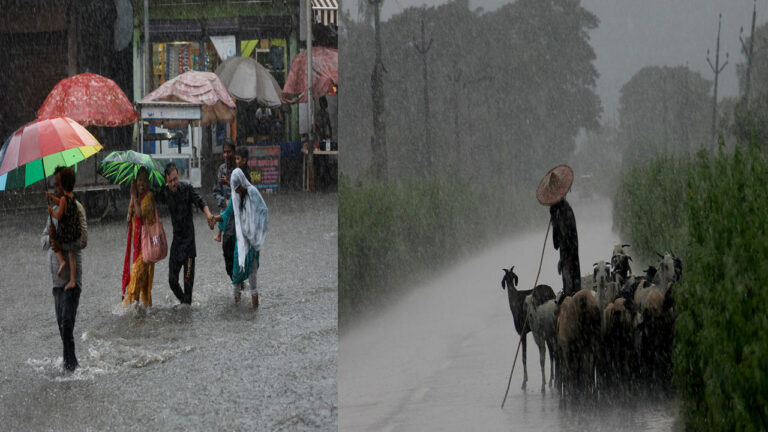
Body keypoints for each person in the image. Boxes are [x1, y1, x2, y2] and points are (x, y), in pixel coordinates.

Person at [41, 190, 87, 372]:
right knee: (62, 324)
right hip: (56, 280)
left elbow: (83, 241)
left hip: (72, 279)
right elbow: (42, 240)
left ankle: (72, 365)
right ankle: (69, 364)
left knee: (67, 323)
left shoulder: (77, 210)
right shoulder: (52, 212)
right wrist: (51, 238)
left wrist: (64, 240)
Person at [156, 162, 215, 304]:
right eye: (170, 181)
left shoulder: (187, 189)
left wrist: (208, 215)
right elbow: (149, 198)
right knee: (172, 281)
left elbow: (200, 201)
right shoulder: (164, 193)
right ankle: (183, 305)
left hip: (189, 247)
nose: (174, 183)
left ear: (178, 177)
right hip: (176, 244)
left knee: (188, 287)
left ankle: (186, 306)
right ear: (166, 181)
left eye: (175, 179)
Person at [213, 168, 268, 308]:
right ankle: (236, 310)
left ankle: (255, 309)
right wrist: (215, 218)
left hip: (252, 242)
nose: (237, 191)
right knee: (236, 277)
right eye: (235, 189)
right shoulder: (235, 196)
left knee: (253, 278)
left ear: (242, 184)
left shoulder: (253, 193)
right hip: (241, 242)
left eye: (238, 188)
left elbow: (263, 211)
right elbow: (227, 213)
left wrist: (255, 228)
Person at [536, 165, 580, 301]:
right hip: (570, 256)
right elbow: (558, 242)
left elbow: (562, 241)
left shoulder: (562, 213)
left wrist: (564, 260)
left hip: (569, 257)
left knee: (570, 291)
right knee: (573, 289)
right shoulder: (562, 210)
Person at [122, 167, 156, 307]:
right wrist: (129, 214)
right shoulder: (135, 197)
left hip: (147, 245)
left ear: (148, 183)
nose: (142, 184)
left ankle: (127, 309)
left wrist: (134, 198)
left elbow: (140, 214)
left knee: (136, 277)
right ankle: (144, 312)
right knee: (144, 284)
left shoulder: (148, 197)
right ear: (135, 182)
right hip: (138, 244)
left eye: (145, 181)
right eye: (139, 180)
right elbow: (131, 215)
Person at [45, 166, 81, 290]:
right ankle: (71, 277)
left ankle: (63, 264)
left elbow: (59, 215)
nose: (55, 189)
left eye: (57, 184)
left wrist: (51, 211)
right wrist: (50, 197)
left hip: (66, 234)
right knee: (56, 242)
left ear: (63, 185)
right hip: (57, 283)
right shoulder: (71, 198)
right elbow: (59, 202)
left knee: (58, 243)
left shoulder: (66, 201)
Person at [214, 146, 250, 242]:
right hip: (232, 210)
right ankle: (219, 232)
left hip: (240, 210)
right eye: (224, 152)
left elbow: (241, 189)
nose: (226, 155)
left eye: (229, 152)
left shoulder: (242, 173)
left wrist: (228, 183)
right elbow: (216, 191)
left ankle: (218, 224)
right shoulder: (222, 169)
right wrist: (223, 201)